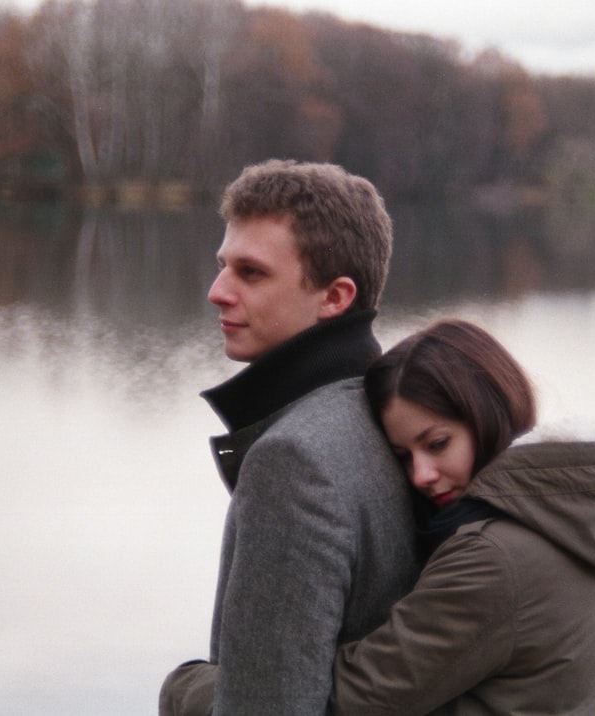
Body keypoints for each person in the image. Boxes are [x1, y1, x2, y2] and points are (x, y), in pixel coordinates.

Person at [159, 160, 421, 715]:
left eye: (250, 273)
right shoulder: (394, 421)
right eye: (222, 265)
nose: (216, 291)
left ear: (335, 297)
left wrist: (184, 696)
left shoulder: (293, 460)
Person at [330, 319, 595, 715]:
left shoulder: (493, 557)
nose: (421, 475)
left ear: (488, 414)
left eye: (438, 443)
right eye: (403, 456)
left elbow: (358, 697)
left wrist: (232, 679)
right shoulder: (560, 521)